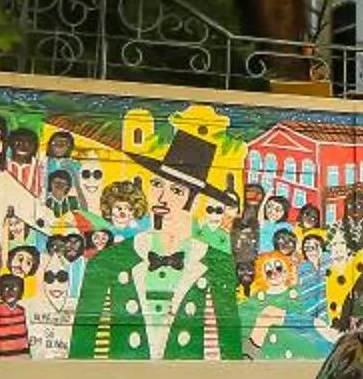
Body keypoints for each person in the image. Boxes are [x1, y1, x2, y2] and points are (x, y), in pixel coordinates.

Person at [69, 128, 248, 360]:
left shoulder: (218, 265)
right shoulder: (108, 261)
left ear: (195, 203)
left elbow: (229, 350)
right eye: (156, 184)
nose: (162, 198)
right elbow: (82, 347)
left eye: (176, 190)